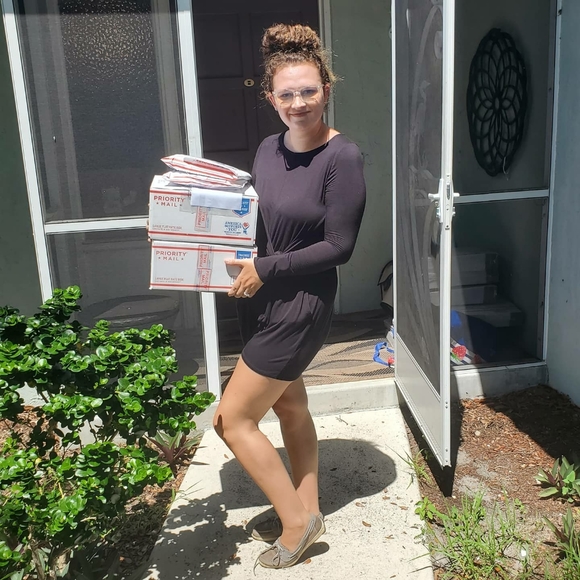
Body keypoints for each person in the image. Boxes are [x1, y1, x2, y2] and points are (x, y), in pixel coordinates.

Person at [213, 23, 366, 570]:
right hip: (259, 298)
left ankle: (298, 526)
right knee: (290, 405)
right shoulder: (266, 149)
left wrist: (266, 267)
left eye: (308, 91)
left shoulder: (342, 157)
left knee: (231, 421)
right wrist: (184, 233)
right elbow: (255, 222)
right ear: (270, 97)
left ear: (326, 87)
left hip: (300, 306)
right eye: (286, 94)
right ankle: (307, 506)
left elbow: (340, 246)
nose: (298, 103)